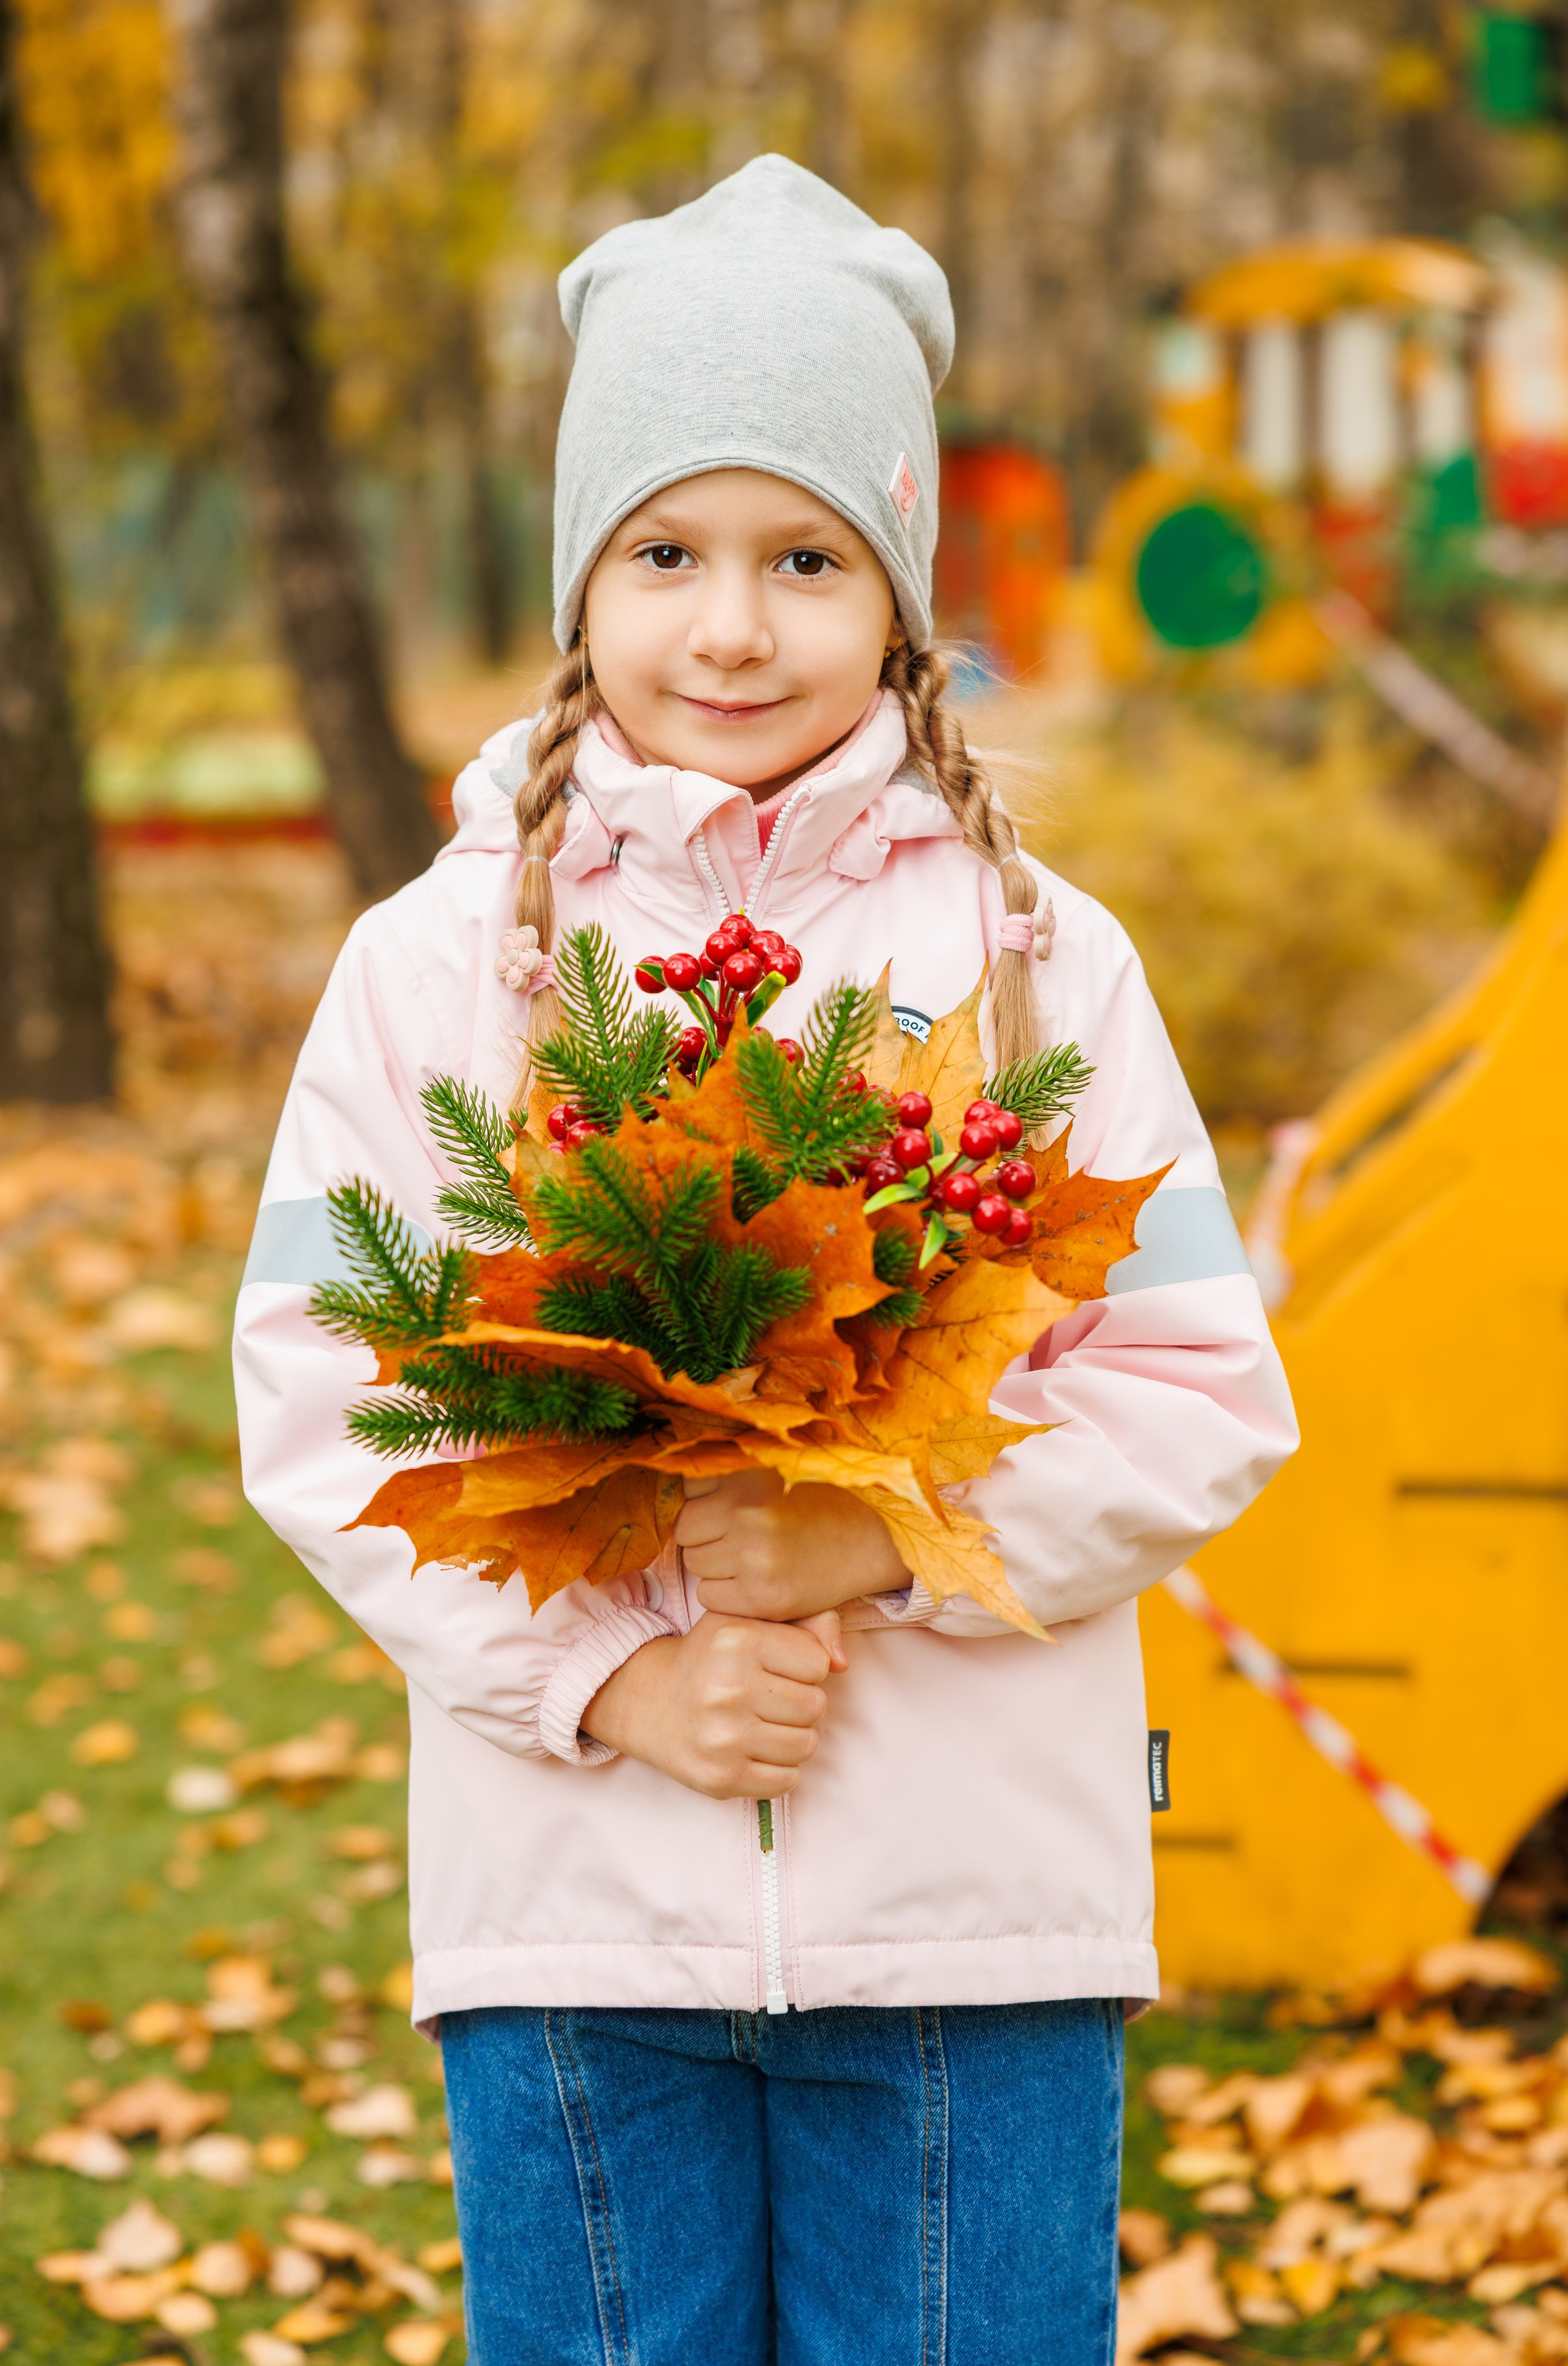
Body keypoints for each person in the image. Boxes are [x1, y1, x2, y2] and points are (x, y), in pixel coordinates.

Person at [233, 155, 1297, 2366]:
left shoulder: (1033, 965)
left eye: (806, 557)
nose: (731, 626)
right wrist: (606, 1684)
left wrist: (880, 1542)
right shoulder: (446, 969)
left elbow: (1201, 1382)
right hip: (574, 1937)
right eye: (667, 553)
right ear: (580, 582)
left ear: (902, 593)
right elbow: (331, 1393)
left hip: (970, 1944)